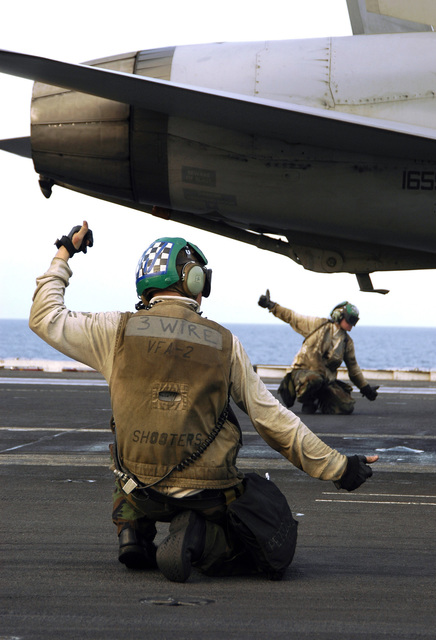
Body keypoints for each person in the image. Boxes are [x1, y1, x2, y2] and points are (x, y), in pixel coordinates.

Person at [29, 222, 379, 583]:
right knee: (264, 531)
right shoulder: (225, 344)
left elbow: (44, 316)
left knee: (123, 456)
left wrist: (65, 251)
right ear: (194, 281)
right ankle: (199, 536)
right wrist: (340, 468)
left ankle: (132, 533)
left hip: (140, 488)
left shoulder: (112, 331)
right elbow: (272, 420)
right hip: (206, 494)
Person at [258, 290, 379, 415]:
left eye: (354, 321)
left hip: (325, 382)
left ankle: (320, 400)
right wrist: (271, 305)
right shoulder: (317, 325)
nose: (352, 325)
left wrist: (366, 389)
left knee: (346, 406)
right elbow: (292, 317)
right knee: (314, 379)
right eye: (350, 320)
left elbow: (353, 369)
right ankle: (307, 400)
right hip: (302, 375)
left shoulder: (347, 342)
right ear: (339, 316)